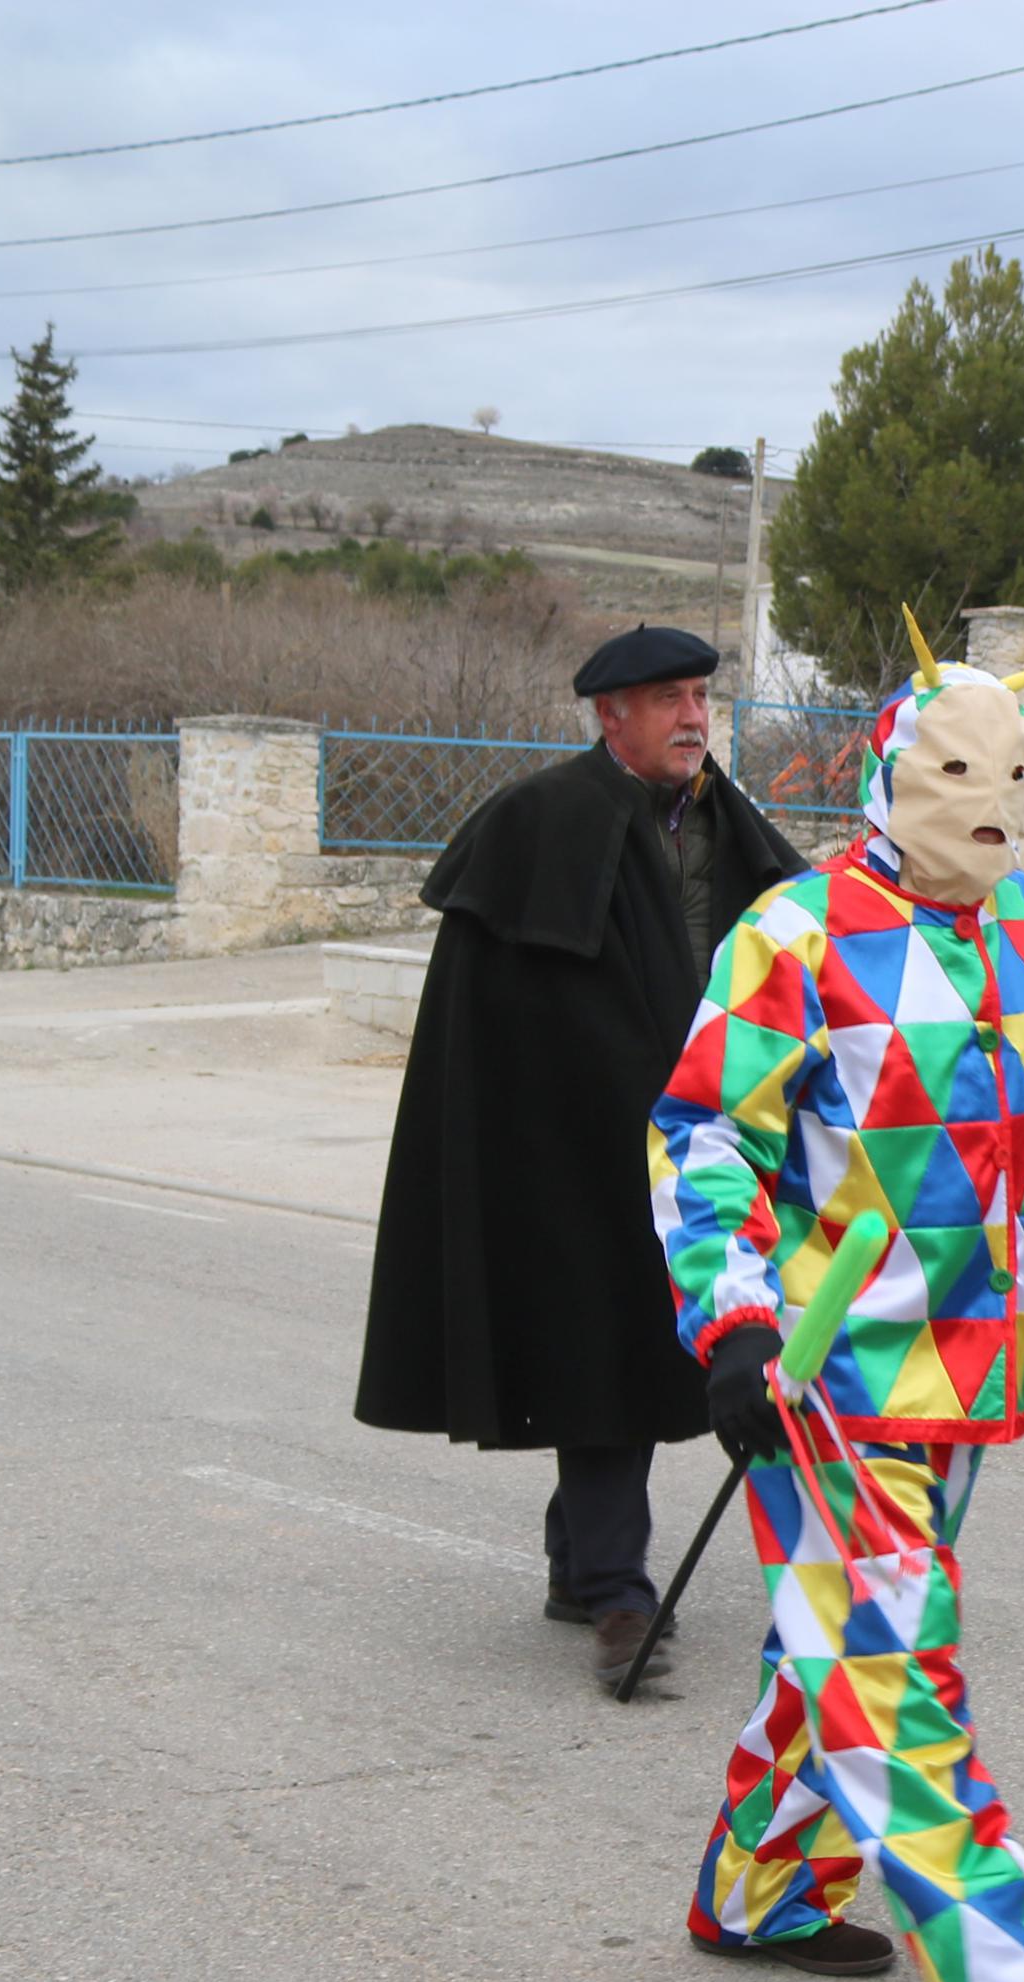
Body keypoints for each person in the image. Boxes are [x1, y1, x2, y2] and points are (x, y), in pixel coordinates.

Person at [650, 620, 1024, 1982]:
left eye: (1011, 775)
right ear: (888, 774)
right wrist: (734, 1322)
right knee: (894, 1661)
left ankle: (760, 1893)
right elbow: (704, 1132)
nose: (987, 801)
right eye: (954, 769)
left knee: (834, 1647)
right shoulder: (796, 930)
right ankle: (1001, 1971)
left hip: (972, 1377)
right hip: (827, 1374)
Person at [355, 624, 802, 1691]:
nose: (694, 716)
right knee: (603, 1359)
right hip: (564, 1151)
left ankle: (578, 1563)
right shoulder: (535, 824)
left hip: (702, 1154)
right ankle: (617, 1593)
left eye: (700, 695)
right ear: (610, 715)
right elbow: (490, 1018)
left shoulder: (731, 828)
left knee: (642, 1359)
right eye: (667, 700)